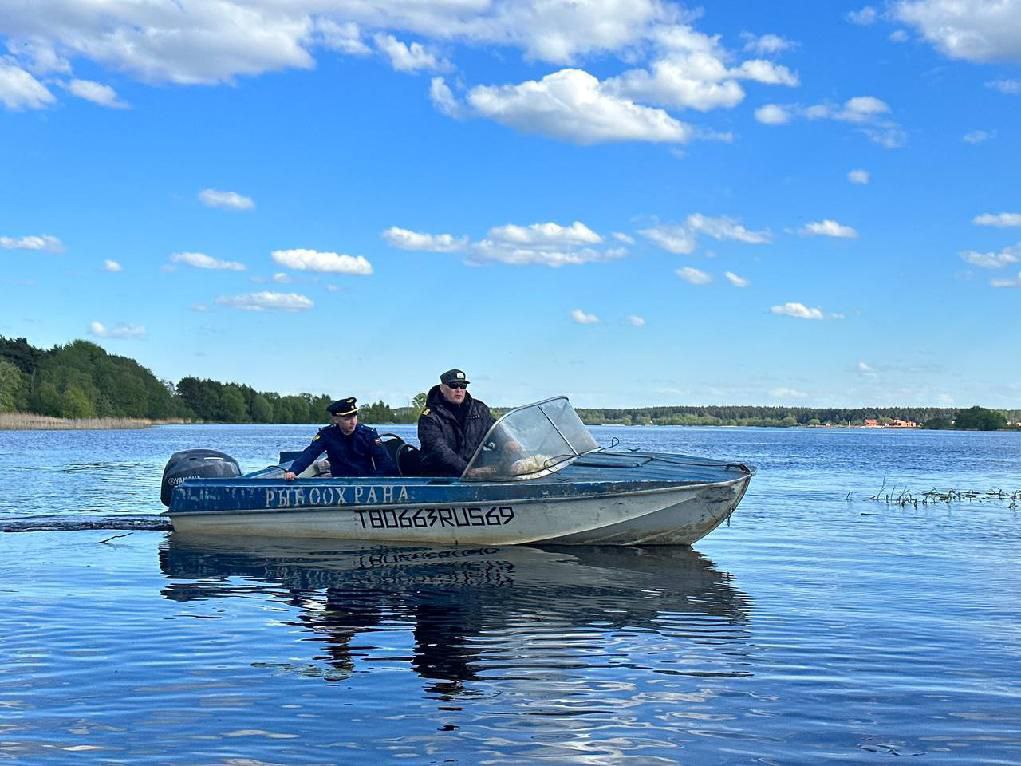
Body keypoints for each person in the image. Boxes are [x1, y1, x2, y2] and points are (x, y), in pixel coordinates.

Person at [284, 397, 396, 479]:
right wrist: (293, 471)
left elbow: (384, 462)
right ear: (336, 419)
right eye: (347, 418)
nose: (353, 422)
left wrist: (375, 481)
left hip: (364, 481)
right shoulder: (327, 434)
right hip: (338, 482)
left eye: (354, 416)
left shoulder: (368, 434)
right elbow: (310, 453)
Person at [417, 369, 495, 476]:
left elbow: (495, 431)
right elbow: (438, 449)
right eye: (454, 385)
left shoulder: (480, 410)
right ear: (442, 388)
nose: (459, 390)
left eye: (463, 386)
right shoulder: (429, 416)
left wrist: (508, 443)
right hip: (438, 477)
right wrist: (466, 470)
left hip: (473, 476)